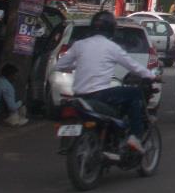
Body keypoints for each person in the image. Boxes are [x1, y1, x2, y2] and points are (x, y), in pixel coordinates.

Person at [55, 11, 156, 152]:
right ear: (111, 29)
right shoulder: (111, 47)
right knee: (135, 94)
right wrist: (151, 76)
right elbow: (133, 66)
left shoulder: (79, 45)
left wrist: (79, 64)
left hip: (79, 95)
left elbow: (59, 65)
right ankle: (135, 136)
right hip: (101, 95)